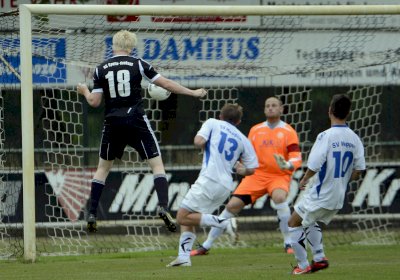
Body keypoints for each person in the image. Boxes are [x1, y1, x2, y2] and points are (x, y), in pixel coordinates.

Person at [77, 30, 207, 233]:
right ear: (131, 47)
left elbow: (94, 102)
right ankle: (163, 206)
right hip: (136, 120)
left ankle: (92, 213)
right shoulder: (138, 63)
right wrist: (192, 92)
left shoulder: (100, 68)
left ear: (113, 46)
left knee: (102, 169)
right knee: (157, 166)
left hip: (113, 123)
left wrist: (84, 90)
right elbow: (165, 83)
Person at [191, 96, 302, 256]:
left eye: (274, 105)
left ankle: (288, 242)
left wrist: (288, 165)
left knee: (279, 198)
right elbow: (246, 155)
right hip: (256, 176)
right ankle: (206, 246)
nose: (270, 108)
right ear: (264, 110)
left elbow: (296, 156)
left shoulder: (288, 131)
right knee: (231, 207)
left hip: (278, 176)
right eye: (267, 105)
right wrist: (238, 164)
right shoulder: (255, 130)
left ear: (281, 109)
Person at [166, 103, 259, 267]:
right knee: (190, 219)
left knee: (181, 217)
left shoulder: (212, 123)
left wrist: (205, 144)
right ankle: (183, 258)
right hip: (225, 186)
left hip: (209, 179)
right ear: (238, 122)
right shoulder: (243, 139)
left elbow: (198, 141)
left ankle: (223, 222)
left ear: (220, 116)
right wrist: (237, 166)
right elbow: (251, 170)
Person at [288, 94, 365, 275]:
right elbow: (358, 170)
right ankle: (320, 257)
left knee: (293, 222)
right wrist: (343, 180)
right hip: (337, 196)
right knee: (309, 221)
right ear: (348, 113)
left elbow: (315, 163)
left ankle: (303, 265)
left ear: (329, 111)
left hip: (321, 193)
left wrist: (305, 178)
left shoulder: (326, 136)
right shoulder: (354, 138)